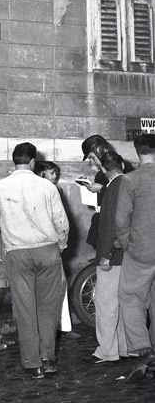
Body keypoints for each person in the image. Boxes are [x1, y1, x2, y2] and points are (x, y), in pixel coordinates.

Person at [0, 142, 69, 379]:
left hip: (18, 252)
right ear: (32, 162)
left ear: (14, 161)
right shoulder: (47, 186)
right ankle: (48, 358)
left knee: (24, 308)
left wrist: (9, 224)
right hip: (48, 251)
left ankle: (32, 363)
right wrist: (60, 247)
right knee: (48, 307)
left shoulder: (0, 187)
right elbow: (62, 223)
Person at [81, 151, 128, 365]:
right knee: (123, 304)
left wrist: (106, 256)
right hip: (128, 256)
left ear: (104, 169)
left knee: (106, 305)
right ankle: (124, 348)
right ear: (122, 165)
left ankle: (107, 351)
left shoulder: (112, 188)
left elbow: (110, 224)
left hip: (113, 257)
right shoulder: (128, 184)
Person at [115, 134, 155, 366]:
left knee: (130, 297)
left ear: (137, 152)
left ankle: (143, 347)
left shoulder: (130, 180)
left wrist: (126, 244)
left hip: (141, 251)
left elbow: (121, 220)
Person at [35, 160, 80, 341]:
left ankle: (64, 326)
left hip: (53, 244)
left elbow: (61, 218)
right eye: (51, 172)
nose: (55, 176)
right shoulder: (36, 188)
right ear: (41, 173)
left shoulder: (57, 190)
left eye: (56, 172)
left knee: (61, 285)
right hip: (39, 243)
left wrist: (61, 243)